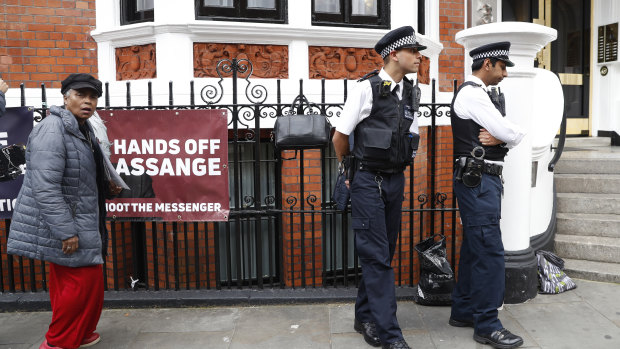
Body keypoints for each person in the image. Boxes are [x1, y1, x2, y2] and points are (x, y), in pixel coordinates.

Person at [7, 73, 122, 349]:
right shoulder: (52, 128)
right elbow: (45, 186)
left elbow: (80, 174)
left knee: (86, 285)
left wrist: (107, 186)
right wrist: (65, 231)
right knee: (77, 287)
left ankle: (81, 333)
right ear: (65, 97)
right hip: (70, 225)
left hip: (83, 218)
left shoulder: (82, 128)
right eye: (80, 95)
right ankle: (57, 343)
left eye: (93, 96)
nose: (87, 101)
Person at [332, 25, 424, 349]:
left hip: (395, 180)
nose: (418, 57)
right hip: (367, 180)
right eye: (413, 51)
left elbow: (413, 136)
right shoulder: (365, 90)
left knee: (383, 254)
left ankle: (364, 316)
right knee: (377, 258)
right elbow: (339, 137)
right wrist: (348, 169)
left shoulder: (413, 92)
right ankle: (390, 336)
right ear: (394, 54)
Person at [449, 42, 526, 349]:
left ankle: (464, 310)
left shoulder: (481, 94)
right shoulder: (473, 93)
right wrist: (506, 136)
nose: (505, 73)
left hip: (481, 180)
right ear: (488, 64)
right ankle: (487, 324)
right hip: (478, 181)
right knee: (490, 251)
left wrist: (500, 138)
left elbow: (502, 134)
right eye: (503, 66)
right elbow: (512, 132)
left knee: (474, 247)